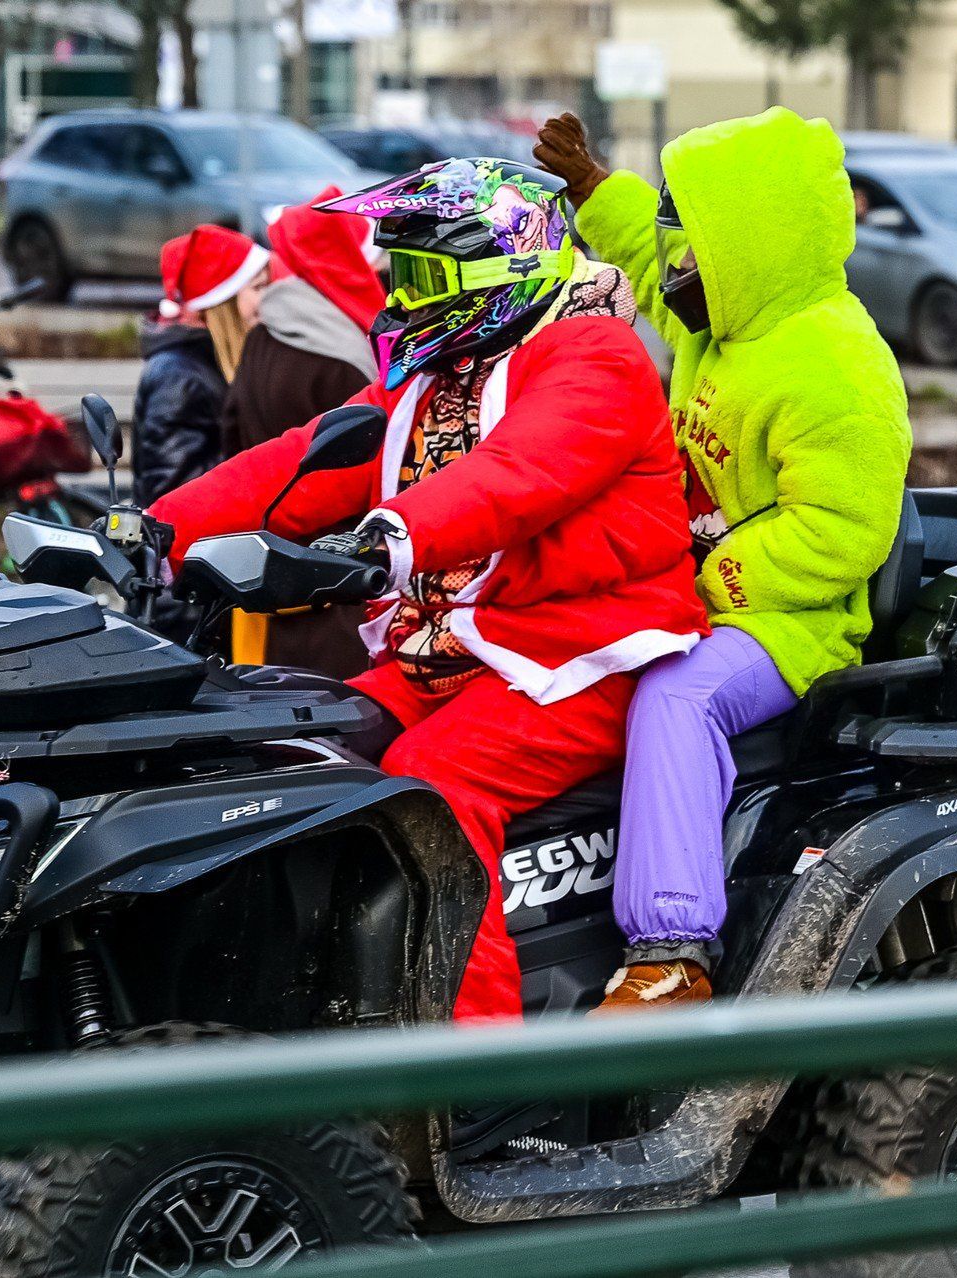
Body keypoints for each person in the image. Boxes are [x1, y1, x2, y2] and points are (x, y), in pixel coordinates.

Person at [150, 158, 707, 1022]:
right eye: (397, 272)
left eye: (424, 275)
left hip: (578, 659)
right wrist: (155, 531)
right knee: (289, 744)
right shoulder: (440, 369)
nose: (403, 296)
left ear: (502, 268)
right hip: (452, 655)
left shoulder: (595, 356)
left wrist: (387, 541)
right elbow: (304, 461)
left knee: (431, 783)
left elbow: (518, 473)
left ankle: (475, 1081)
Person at [535, 108, 912, 1011]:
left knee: (677, 696)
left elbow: (839, 536)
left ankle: (672, 952)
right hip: (696, 586)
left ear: (748, 244)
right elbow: (638, 253)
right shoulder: (730, 320)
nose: (675, 270)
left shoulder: (831, 368)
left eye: (692, 248)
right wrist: (592, 187)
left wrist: (701, 583)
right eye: (681, 244)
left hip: (792, 622)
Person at [218, 190, 383, 677]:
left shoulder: (260, 340)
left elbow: (230, 445)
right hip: (333, 590)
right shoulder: (345, 363)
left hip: (262, 572)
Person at [132, 225, 269, 508]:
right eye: (257, 288)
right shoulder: (180, 378)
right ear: (223, 304)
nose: (267, 299)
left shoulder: (210, 362)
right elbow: (172, 491)